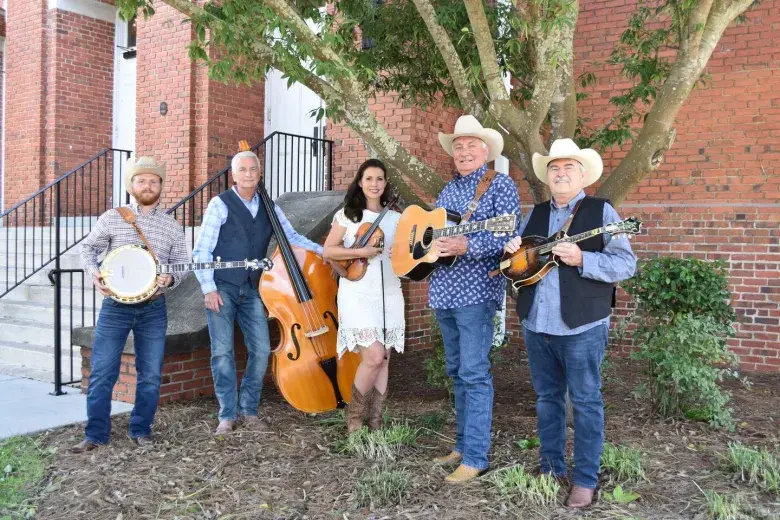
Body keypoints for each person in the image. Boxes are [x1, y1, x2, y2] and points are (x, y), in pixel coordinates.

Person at [503, 138, 636, 508]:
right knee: (547, 400)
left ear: (582, 175)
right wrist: (514, 254)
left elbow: (626, 264)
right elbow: (525, 264)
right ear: (547, 176)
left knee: (586, 401)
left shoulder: (604, 212)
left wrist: (582, 259)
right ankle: (551, 466)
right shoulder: (536, 213)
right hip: (536, 323)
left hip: (582, 326)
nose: (560, 173)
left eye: (568, 168)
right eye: (554, 168)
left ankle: (586, 479)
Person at [193, 149, 324, 435]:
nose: (249, 174)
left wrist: (326, 252)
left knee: (262, 350)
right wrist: (208, 288)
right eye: (243, 170)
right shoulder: (220, 204)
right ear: (234, 175)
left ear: (259, 173)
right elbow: (201, 251)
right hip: (222, 287)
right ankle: (227, 415)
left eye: (253, 169)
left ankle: (249, 410)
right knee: (223, 353)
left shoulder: (269, 206)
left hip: (252, 289)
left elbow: (293, 238)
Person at [72, 155, 190, 453]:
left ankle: (141, 429)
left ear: (161, 185)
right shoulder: (113, 217)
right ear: (131, 185)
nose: (147, 185)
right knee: (102, 372)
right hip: (116, 308)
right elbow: (89, 248)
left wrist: (170, 279)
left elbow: (182, 265)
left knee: (150, 374)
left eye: (153, 180)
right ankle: (96, 434)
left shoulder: (172, 226)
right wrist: (94, 273)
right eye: (141, 180)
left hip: (154, 308)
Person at [429, 115, 521, 483]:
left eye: (471, 145)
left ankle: (477, 457)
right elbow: (431, 237)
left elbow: (509, 236)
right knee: (456, 372)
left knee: (474, 373)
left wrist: (467, 244)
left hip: (476, 292)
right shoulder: (446, 192)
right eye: (458, 146)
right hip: (443, 291)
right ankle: (463, 444)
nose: (463, 151)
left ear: (486, 151)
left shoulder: (500, 184)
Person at [323, 159, 404, 433]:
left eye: (379, 179)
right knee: (373, 356)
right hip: (357, 293)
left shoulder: (397, 219)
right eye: (369, 178)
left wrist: (401, 255)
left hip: (389, 292)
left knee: (384, 359)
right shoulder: (349, 215)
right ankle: (354, 423)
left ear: (385, 183)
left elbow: (404, 259)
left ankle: (376, 423)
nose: (374, 184)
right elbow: (329, 251)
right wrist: (360, 252)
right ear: (360, 182)